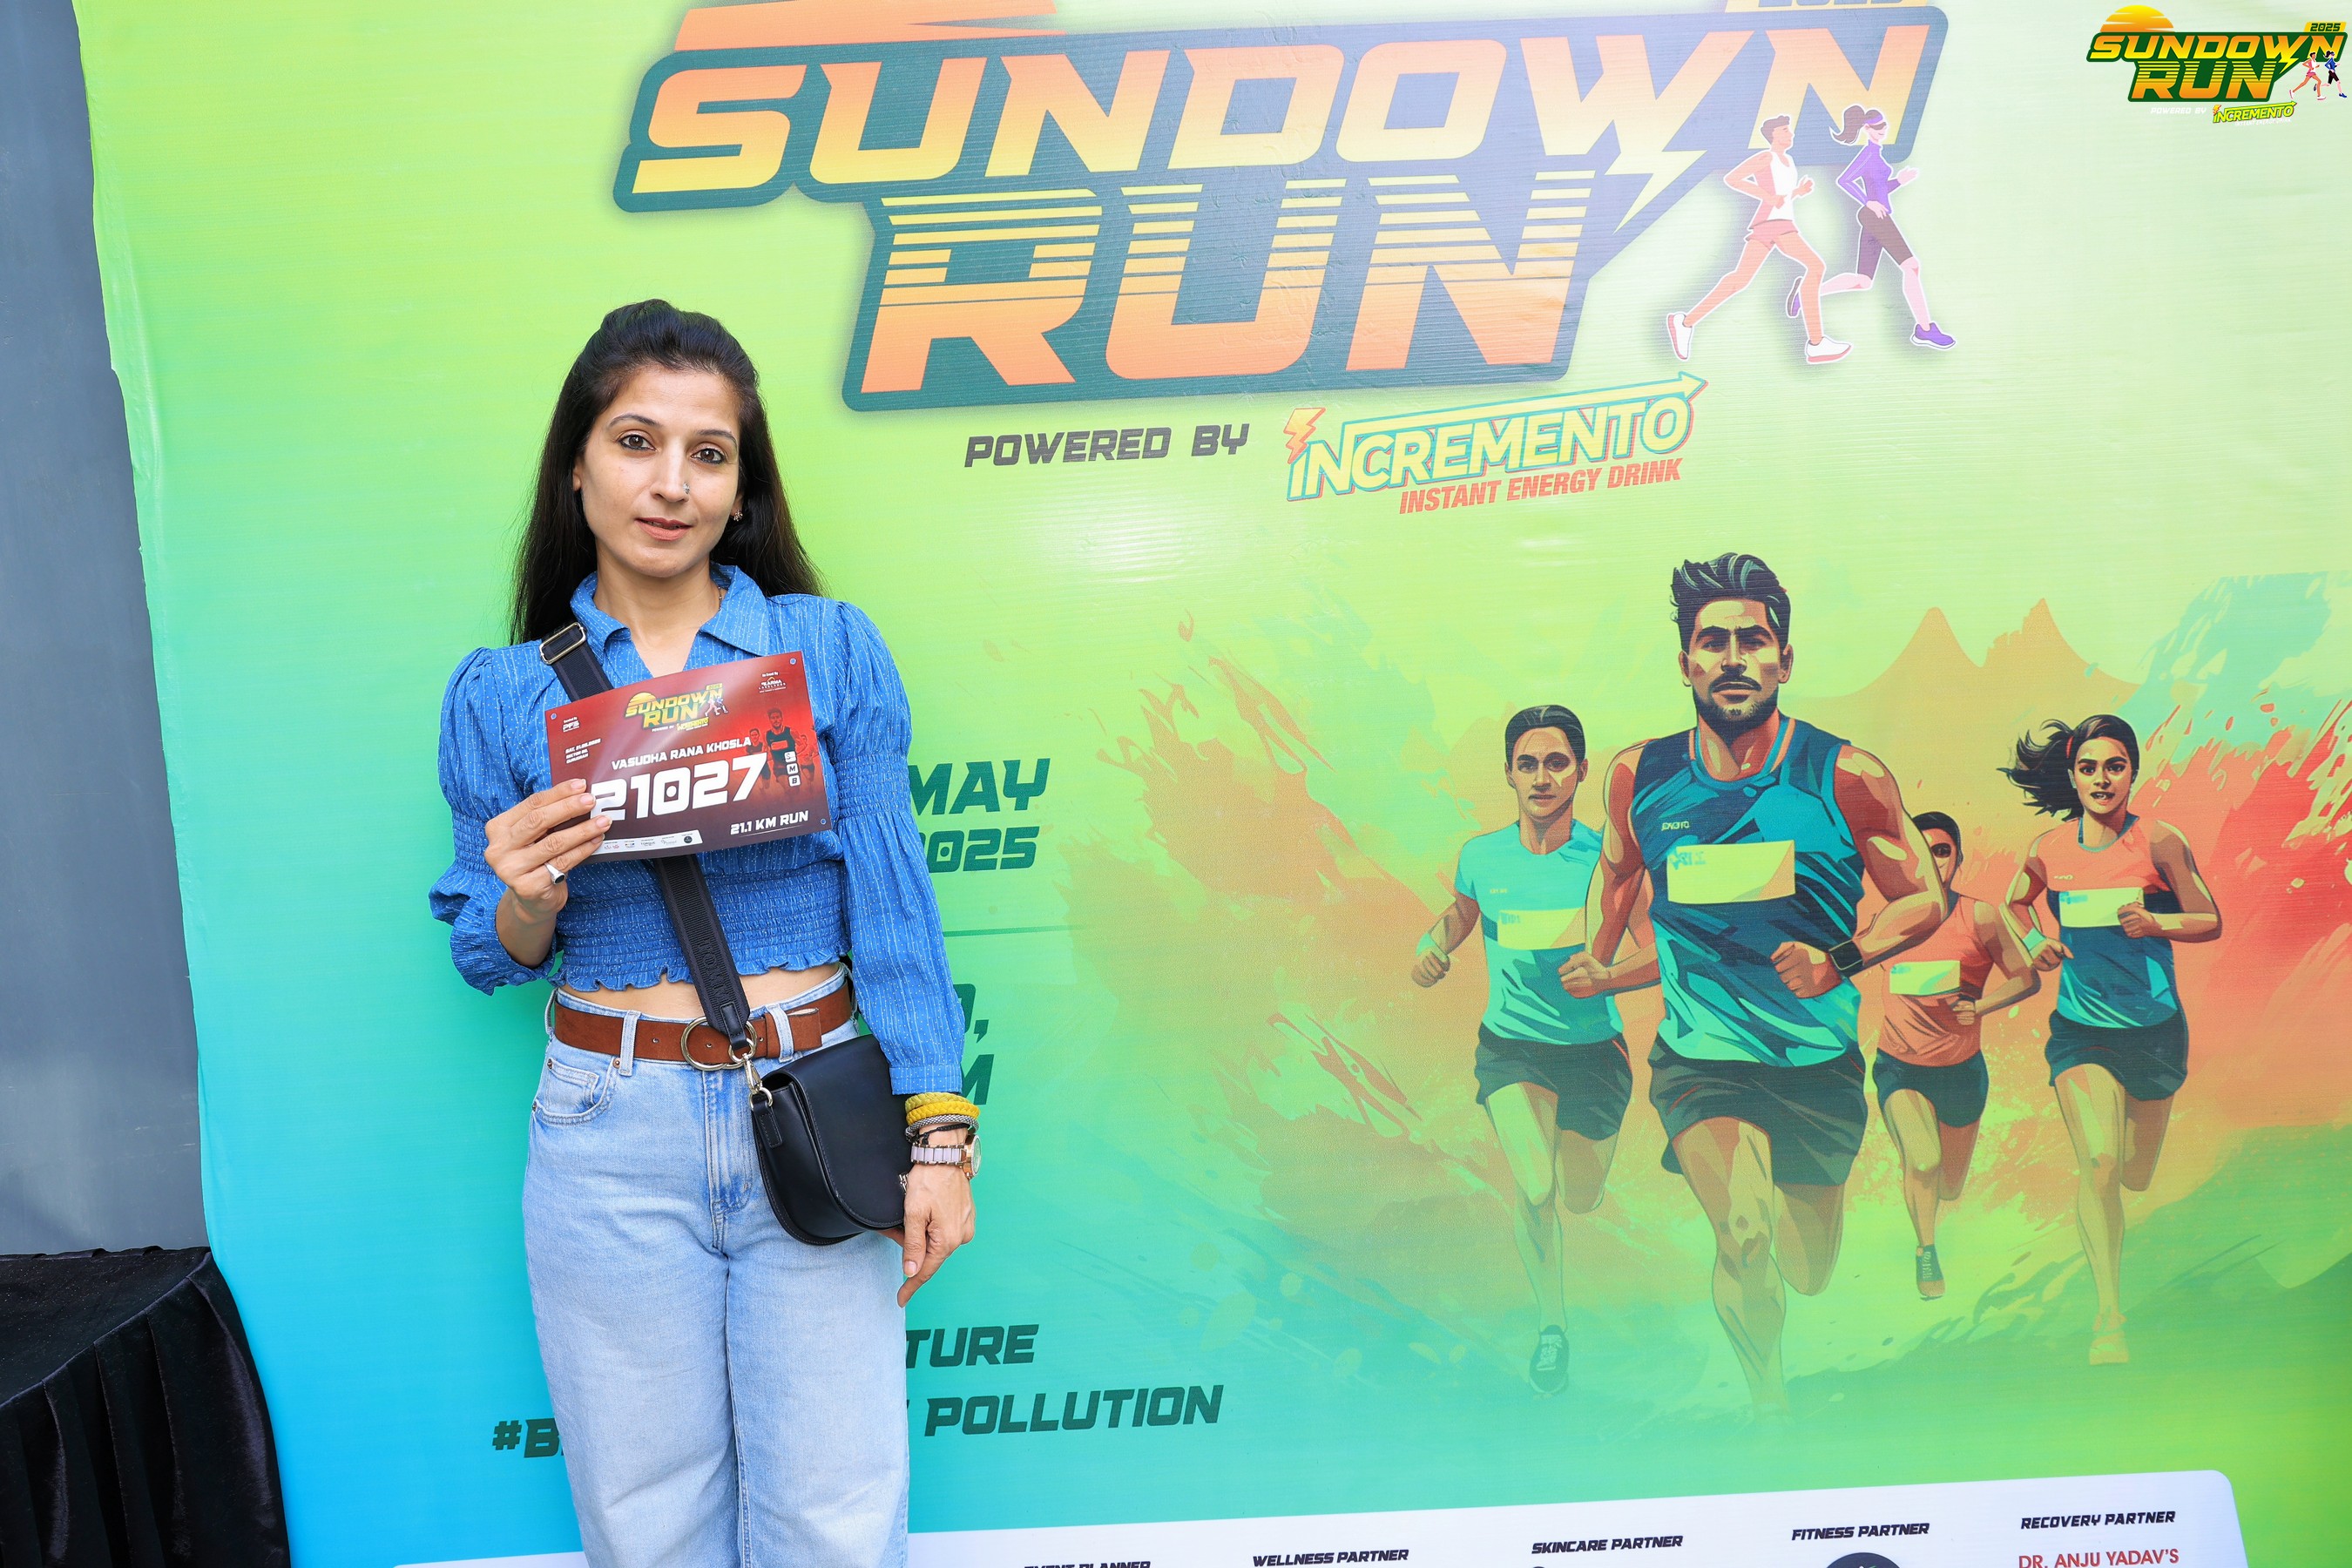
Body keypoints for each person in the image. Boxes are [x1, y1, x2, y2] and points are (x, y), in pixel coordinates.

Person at [429, 300, 977, 1567]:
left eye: (709, 453)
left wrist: (941, 1138)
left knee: (836, 1521)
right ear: (576, 468)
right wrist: (526, 897)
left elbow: (896, 906)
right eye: (635, 442)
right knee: (645, 1525)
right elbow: (481, 950)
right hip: (606, 1131)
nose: (670, 483)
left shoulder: (826, 651)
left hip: (813, 1102)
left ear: (742, 491)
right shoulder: (505, 694)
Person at [1583, 552, 1943, 1417]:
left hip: (1815, 1062)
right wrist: (1598, 955)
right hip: (1700, 1060)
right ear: (1686, 663)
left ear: (1784, 659)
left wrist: (1839, 960)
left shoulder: (1845, 775)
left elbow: (1923, 897)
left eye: (1752, 640)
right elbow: (1618, 870)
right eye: (1714, 642)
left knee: (1807, 1268)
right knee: (1743, 1237)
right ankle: (1769, 1417)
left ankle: (1797, 1275)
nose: (1733, 657)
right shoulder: (1640, 774)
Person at [1411, 706, 1655, 1395]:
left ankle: (1578, 1205)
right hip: (1512, 1050)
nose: (1541, 778)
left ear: (1580, 771)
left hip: (1594, 1055)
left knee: (1580, 1195)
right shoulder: (1480, 856)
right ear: (1509, 775)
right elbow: (1460, 916)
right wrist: (1431, 946)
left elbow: (1660, 949)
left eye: (1555, 763)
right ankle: (1552, 1328)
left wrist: (1608, 978)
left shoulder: (1611, 863)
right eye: (1527, 764)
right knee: (1537, 1186)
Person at [1999, 714, 2221, 1366]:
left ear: (2133, 773)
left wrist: (2156, 922)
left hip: (2154, 1032)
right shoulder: (2049, 847)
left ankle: (2127, 1206)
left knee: (2134, 1175)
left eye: (2115, 766)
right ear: (2072, 776)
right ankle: (2108, 1318)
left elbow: (2209, 919)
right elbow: (2015, 903)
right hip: (2081, 1032)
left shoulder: (2161, 841)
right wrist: (2035, 941)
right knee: (2098, 1163)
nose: (2102, 779)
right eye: (2089, 767)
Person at [1871, 811, 2038, 1299]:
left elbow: (2026, 978)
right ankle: (1926, 1250)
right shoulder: (1888, 920)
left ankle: (1929, 1196)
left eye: (1941, 851)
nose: (1932, 861)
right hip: (1899, 1068)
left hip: (1961, 1073)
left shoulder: (1980, 917)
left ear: (1958, 859)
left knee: (1950, 1185)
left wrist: (1980, 1006)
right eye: (1921, 852)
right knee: (1924, 1163)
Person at [1666, 116, 1850, 367]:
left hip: (1776, 222)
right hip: (1774, 222)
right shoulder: (1766, 157)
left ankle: (1686, 322)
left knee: (1740, 279)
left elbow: (1781, 196)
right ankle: (1816, 343)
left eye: (1790, 129)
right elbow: (1733, 178)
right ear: (1773, 135)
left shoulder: (1789, 161)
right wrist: (1767, 196)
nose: (1790, 133)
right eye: (1785, 130)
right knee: (1815, 267)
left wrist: (1797, 192)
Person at [1795, 105, 1953, 351]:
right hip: (1875, 217)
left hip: (1876, 217)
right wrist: (1867, 201)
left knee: (1863, 281)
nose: (1882, 130)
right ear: (1867, 129)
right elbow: (1845, 180)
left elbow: (1880, 189)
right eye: (1877, 127)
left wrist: (1898, 181)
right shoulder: (1869, 154)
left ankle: (1806, 293)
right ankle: (1924, 329)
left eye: (1884, 126)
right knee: (1911, 266)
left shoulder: (1876, 154)